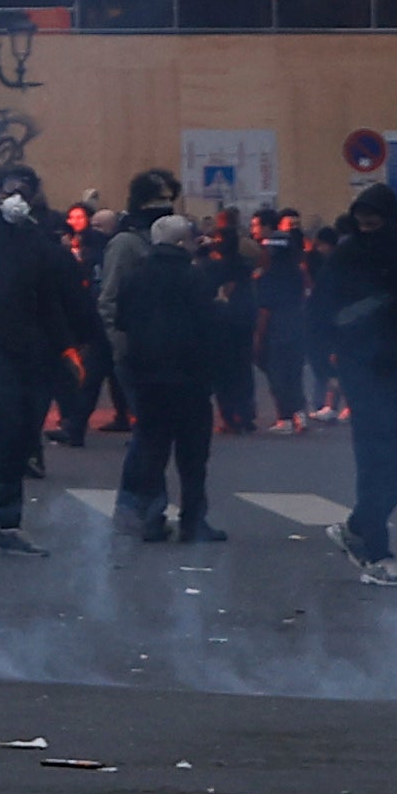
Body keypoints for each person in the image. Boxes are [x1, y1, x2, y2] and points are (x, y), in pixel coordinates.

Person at [0, 167, 102, 554]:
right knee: (9, 423)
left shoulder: (39, 243)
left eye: (23, 192)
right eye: (10, 190)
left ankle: (8, 526)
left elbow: (57, 301)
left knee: (24, 435)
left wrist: (69, 347)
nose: (15, 198)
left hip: (34, 349)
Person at [314, 181, 397, 585]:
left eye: (374, 221)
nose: (367, 228)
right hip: (360, 366)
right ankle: (376, 551)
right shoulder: (345, 255)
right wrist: (325, 364)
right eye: (361, 221)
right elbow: (319, 309)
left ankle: (359, 525)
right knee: (373, 456)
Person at [110, 208, 232, 543]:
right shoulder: (197, 278)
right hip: (190, 377)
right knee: (192, 456)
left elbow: (121, 321)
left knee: (151, 450)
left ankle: (151, 517)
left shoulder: (136, 277)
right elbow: (209, 325)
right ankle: (193, 521)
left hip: (147, 377)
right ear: (182, 242)